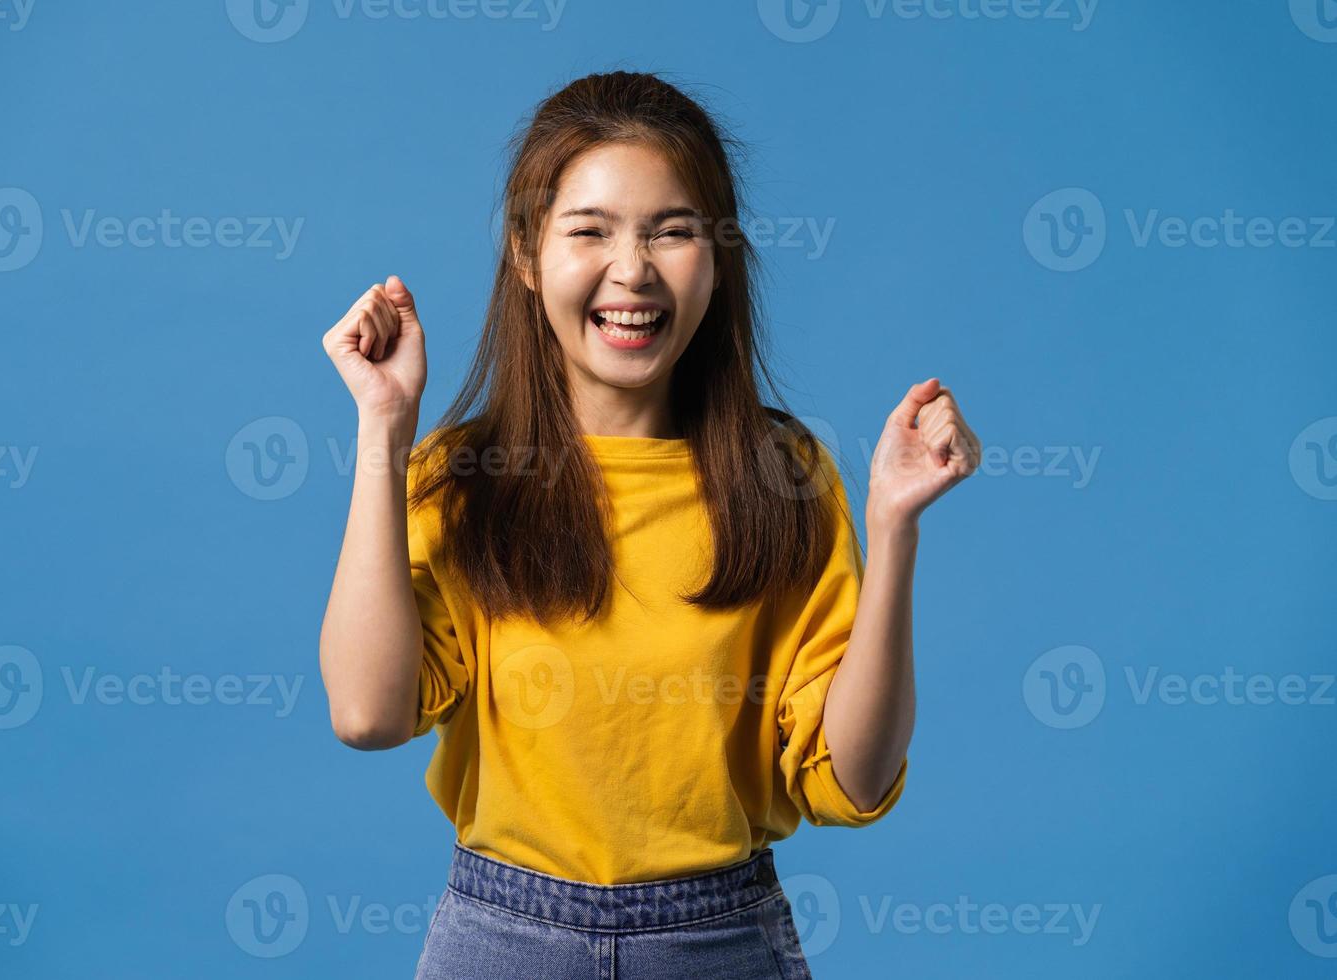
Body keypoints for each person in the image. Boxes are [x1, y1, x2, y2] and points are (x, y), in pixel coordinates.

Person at [318, 70, 981, 979]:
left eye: (672, 231)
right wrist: (385, 429)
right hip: (502, 940)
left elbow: (855, 779)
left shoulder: (785, 482)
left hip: (720, 941)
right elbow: (366, 713)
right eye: (589, 230)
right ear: (525, 253)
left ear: (719, 256)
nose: (631, 270)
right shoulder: (461, 481)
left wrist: (894, 525)